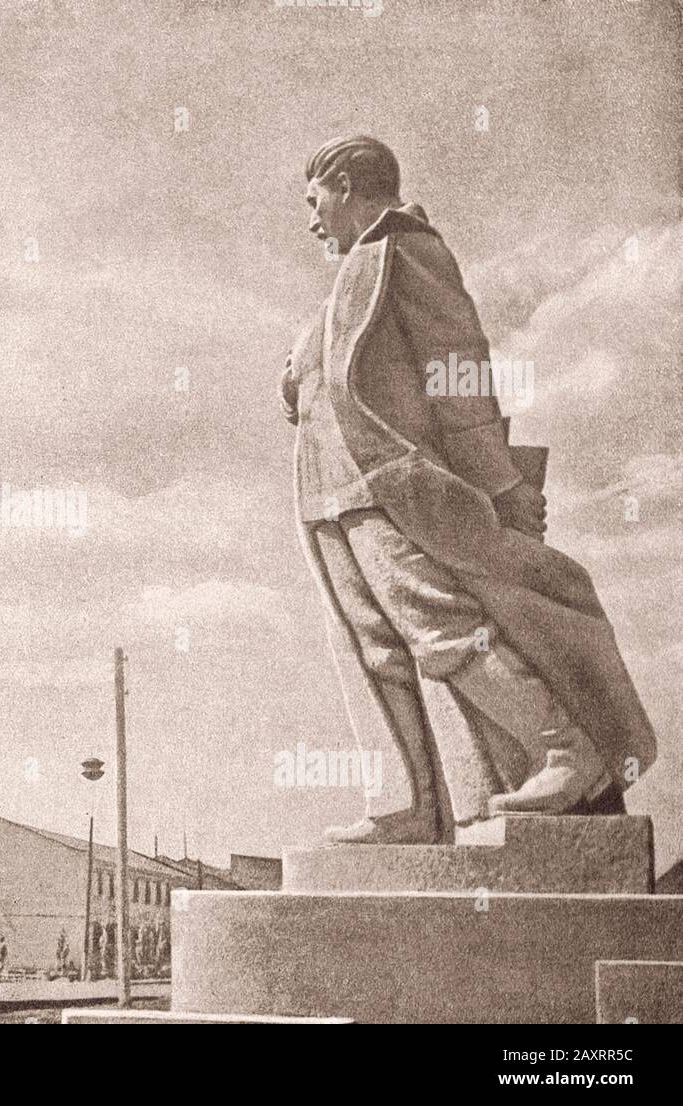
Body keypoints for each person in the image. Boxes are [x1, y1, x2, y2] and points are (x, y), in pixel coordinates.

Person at [279, 135, 656, 843]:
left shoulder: (408, 249)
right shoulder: (350, 274)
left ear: (349, 184)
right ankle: (409, 804)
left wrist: (501, 483)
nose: (310, 221)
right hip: (329, 493)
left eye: (314, 201)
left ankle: (563, 746)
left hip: (391, 486)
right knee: (371, 648)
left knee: (441, 625)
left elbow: (460, 376)